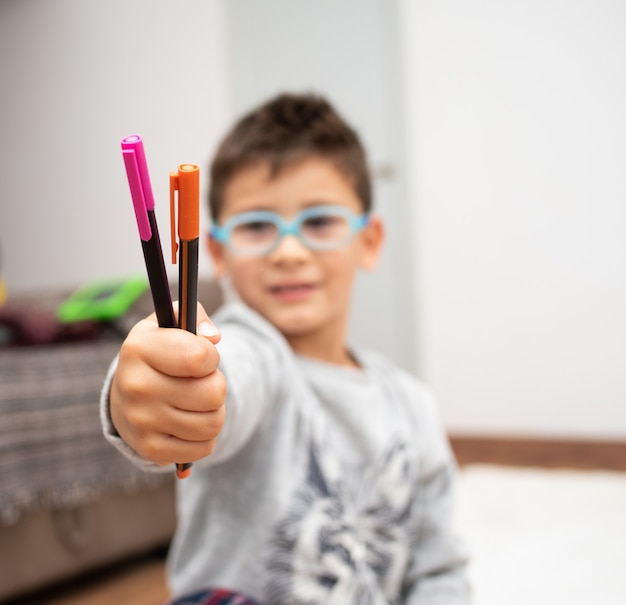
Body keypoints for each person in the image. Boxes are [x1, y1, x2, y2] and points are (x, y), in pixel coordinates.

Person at [101, 92, 470, 605]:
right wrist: (152, 393)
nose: (289, 252)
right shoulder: (250, 350)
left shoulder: (413, 405)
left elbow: (440, 569)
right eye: (256, 227)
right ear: (218, 253)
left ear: (369, 240)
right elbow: (222, 383)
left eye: (319, 222)